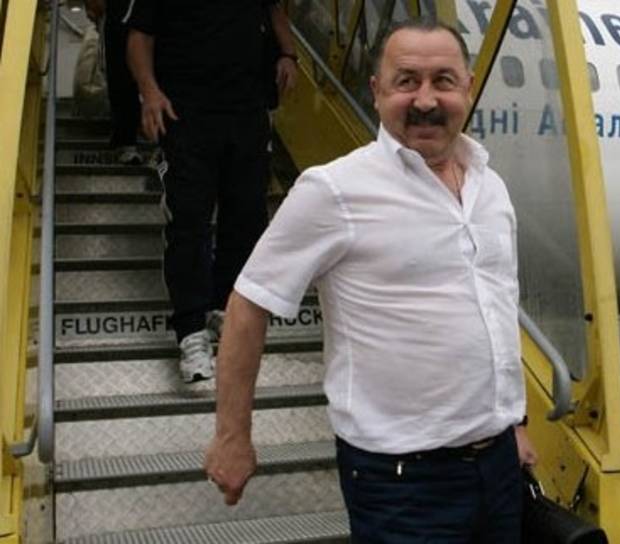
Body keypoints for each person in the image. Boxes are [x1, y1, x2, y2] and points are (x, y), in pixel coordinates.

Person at [205, 18, 539, 543]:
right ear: (377, 91)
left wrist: (512, 422)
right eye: (406, 81)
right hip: (401, 482)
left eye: (443, 81)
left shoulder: (490, 186)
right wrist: (232, 435)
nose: (425, 99)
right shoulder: (334, 190)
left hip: (499, 466)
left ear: (468, 89)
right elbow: (249, 302)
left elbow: (494, 308)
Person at [125, 1, 298, 383]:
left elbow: (273, 11)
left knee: (247, 216)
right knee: (188, 221)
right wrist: (150, 93)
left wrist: (289, 54)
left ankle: (226, 309)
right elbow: (139, 37)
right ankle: (190, 330)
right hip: (185, 114)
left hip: (247, 111)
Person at [83, 0, 142, 164]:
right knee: (121, 78)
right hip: (124, 16)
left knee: (120, 77)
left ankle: (125, 140)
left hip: (123, 17)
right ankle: (125, 140)